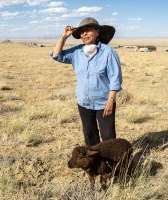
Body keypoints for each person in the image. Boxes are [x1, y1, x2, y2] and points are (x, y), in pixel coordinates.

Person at [51, 17, 122, 147]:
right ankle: (95, 164)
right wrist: (63, 37)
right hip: (84, 102)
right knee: (90, 136)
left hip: (104, 103)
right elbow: (57, 55)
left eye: (88, 30)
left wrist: (110, 101)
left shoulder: (108, 52)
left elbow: (115, 78)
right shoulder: (76, 52)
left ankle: (112, 164)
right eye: (82, 31)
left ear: (97, 32)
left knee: (108, 137)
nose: (84, 33)